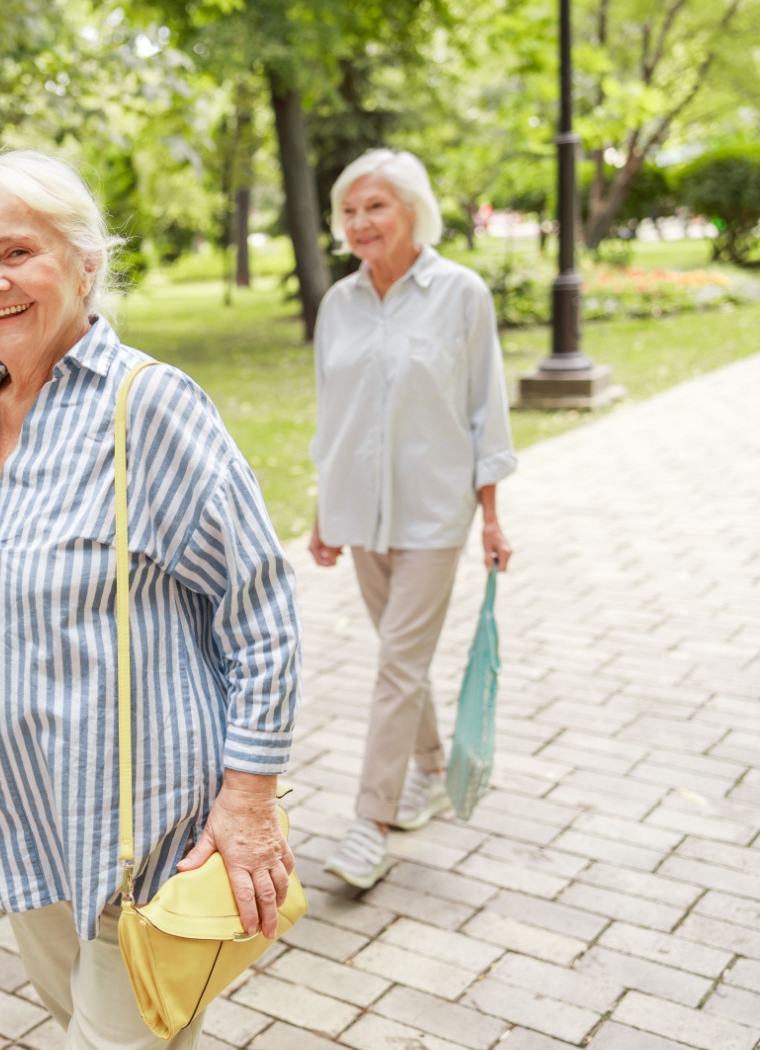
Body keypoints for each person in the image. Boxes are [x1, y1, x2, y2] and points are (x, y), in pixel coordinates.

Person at [0, 139, 303, 1050]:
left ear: (86, 262)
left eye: (17, 252)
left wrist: (248, 802)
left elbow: (261, 613)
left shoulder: (148, 406)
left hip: (144, 842)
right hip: (26, 828)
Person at [308, 148, 517, 891]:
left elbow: (484, 408)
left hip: (435, 512)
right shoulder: (339, 304)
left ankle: (370, 822)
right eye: (350, 210)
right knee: (403, 658)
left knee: (395, 663)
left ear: (412, 211)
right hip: (361, 513)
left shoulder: (460, 294)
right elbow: (333, 413)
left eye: (377, 206)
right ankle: (428, 768)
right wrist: (323, 508)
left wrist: (491, 516)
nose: (361, 222)